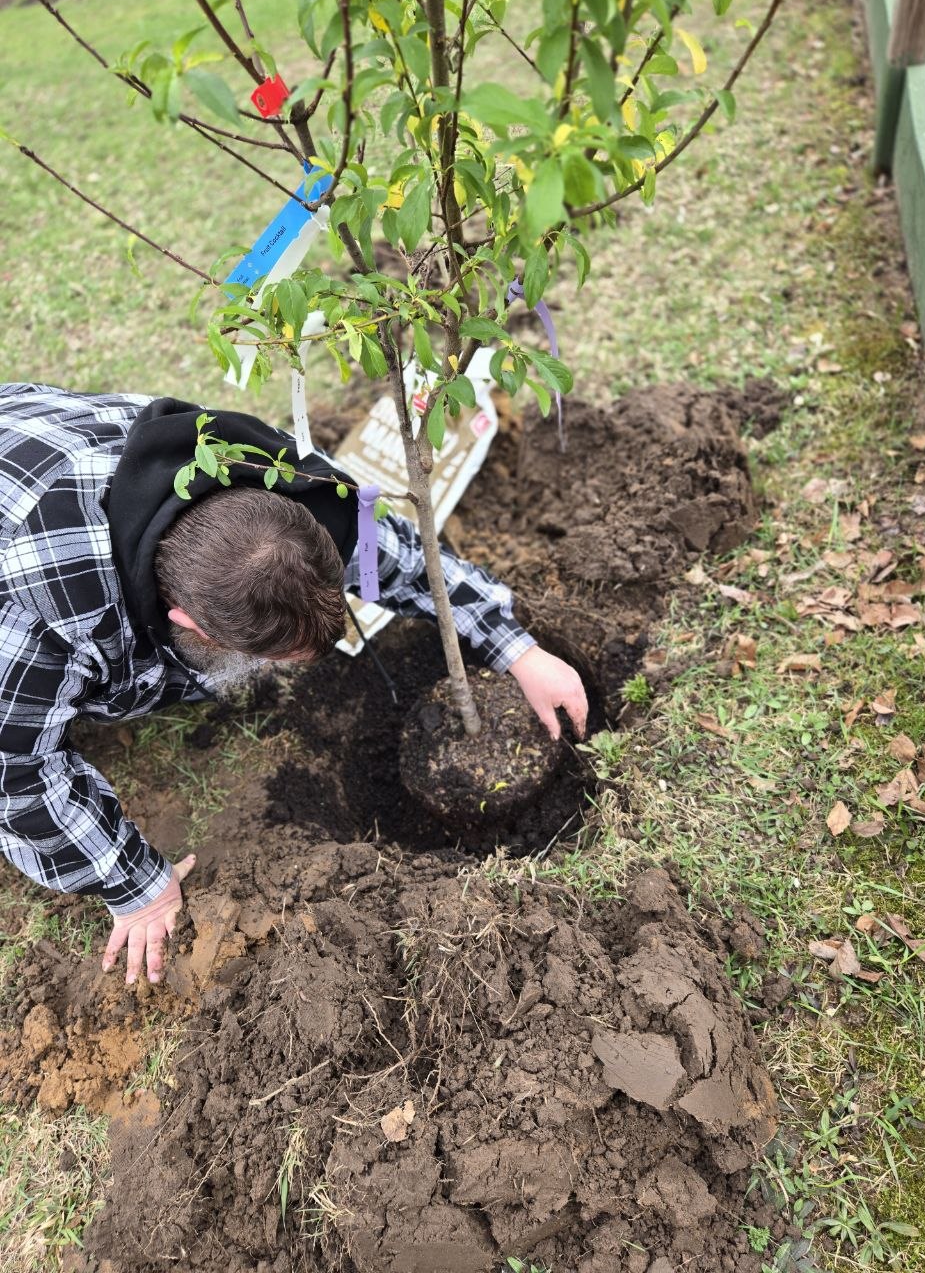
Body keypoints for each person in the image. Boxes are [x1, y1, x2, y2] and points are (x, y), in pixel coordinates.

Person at [0, 383, 588, 987]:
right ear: (187, 622)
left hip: (62, 440)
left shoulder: (277, 484)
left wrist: (516, 649)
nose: (294, 668)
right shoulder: (43, 612)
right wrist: (137, 887)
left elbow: (402, 561)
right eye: (274, 657)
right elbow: (17, 773)